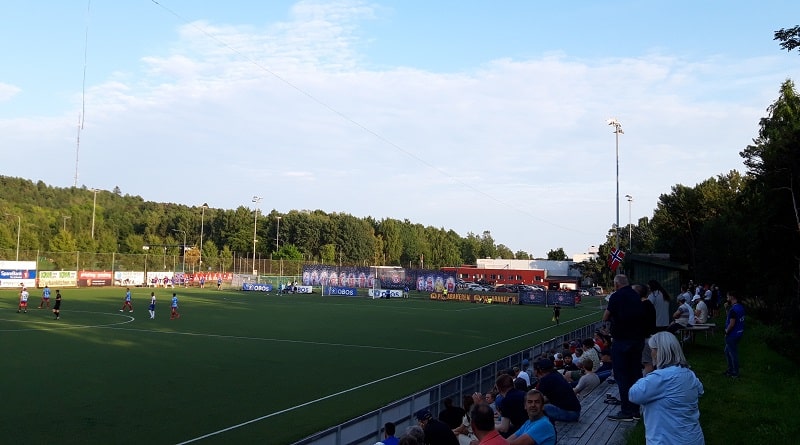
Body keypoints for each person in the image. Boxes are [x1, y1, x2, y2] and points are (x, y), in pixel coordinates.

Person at [629, 331, 705, 445]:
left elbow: (633, 394)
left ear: (660, 352)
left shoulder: (659, 378)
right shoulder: (689, 374)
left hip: (667, 441)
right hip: (693, 438)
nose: (651, 353)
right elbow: (700, 391)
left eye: (652, 350)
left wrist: (646, 371)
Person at [602, 274, 645, 422]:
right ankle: (636, 409)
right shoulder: (635, 295)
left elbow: (605, 317)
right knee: (635, 374)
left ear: (616, 284)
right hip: (637, 340)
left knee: (622, 377)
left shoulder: (616, 296)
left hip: (622, 341)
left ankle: (626, 411)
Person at [724, 291, 745, 377]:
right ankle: (730, 369)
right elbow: (730, 318)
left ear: (732, 297)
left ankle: (734, 372)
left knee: (732, 353)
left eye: (728, 297)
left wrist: (726, 332)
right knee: (727, 351)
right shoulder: (740, 307)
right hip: (739, 333)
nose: (727, 299)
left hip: (732, 335)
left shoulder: (733, 310)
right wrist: (726, 309)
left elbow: (731, 323)